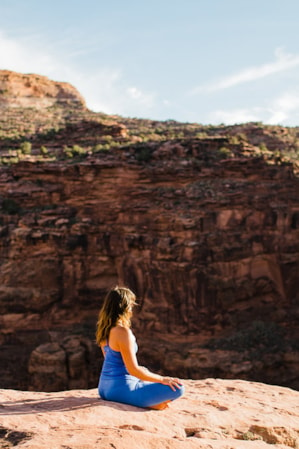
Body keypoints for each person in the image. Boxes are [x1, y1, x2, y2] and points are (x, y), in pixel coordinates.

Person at [96, 286, 184, 409]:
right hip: (120, 389)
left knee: (145, 374)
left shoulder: (104, 330)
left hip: (104, 388)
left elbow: (113, 361)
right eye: (131, 305)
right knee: (178, 388)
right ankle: (151, 404)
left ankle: (150, 402)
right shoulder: (122, 332)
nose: (132, 309)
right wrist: (162, 379)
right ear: (125, 307)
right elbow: (133, 370)